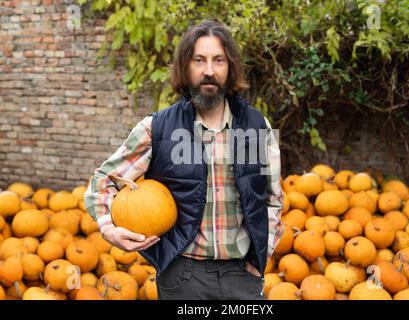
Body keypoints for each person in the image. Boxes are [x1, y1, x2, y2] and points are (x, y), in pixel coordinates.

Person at [84, 19, 285, 300]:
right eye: (198, 60)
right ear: (185, 67)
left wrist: (263, 253)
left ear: (231, 68)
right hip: (182, 276)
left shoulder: (256, 126)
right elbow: (103, 182)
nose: (209, 71)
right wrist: (107, 227)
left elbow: (273, 198)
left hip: (243, 276)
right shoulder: (158, 128)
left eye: (219, 60)